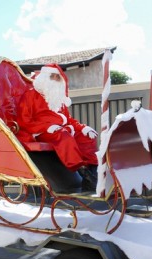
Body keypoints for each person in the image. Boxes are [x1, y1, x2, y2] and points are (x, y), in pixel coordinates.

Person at [16, 63, 98, 191]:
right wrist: (46, 127)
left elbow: (68, 119)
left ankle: (92, 174)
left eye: (57, 77)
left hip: (61, 128)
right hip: (41, 131)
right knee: (63, 135)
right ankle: (79, 170)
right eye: (52, 76)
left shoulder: (58, 97)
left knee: (86, 137)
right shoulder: (30, 95)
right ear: (44, 78)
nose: (55, 79)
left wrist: (82, 128)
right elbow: (24, 121)